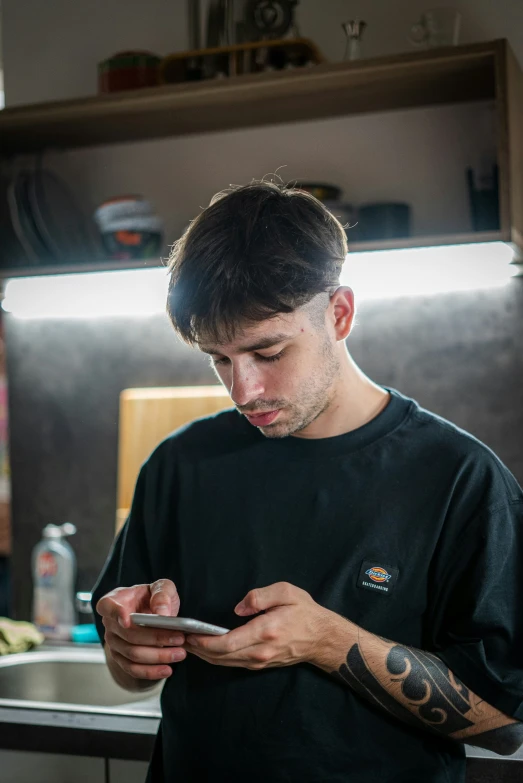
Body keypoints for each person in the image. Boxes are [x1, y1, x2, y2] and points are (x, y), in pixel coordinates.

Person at [92, 181, 523, 783]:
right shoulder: (179, 464)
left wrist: (328, 641)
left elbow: (504, 722)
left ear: (339, 313)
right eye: (219, 359)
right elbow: (125, 666)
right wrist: (130, 650)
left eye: (267, 353)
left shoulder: (459, 480)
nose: (244, 391)